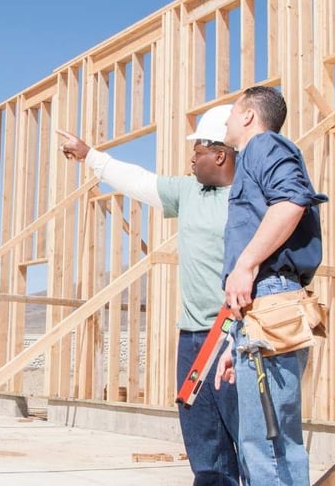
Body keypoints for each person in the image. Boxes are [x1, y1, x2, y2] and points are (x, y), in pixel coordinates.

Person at [58, 105, 244, 486]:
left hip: (235, 337)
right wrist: (90, 155)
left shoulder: (250, 200)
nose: (192, 158)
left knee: (249, 437)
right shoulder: (190, 193)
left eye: (198, 151)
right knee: (205, 444)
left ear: (220, 154)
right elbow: (140, 181)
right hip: (194, 338)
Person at [215, 86, 328, 486]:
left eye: (231, 112)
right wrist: (234, 340)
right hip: (259, 309)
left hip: (270, 297)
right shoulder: (252, 159)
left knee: (267, 440)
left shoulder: (264, 145)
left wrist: (245, 263)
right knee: (264, 435)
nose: (226, 121)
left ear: (247, 115)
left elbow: (292, 201)